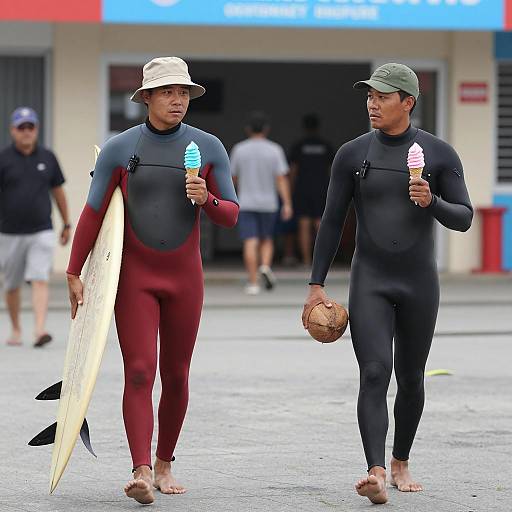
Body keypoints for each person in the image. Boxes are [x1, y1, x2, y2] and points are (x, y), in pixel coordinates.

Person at [66, 57, 239, 504]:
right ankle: (141, 468)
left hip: (185, 278)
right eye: (166, 92)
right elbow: (93, 212)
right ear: (146, 98)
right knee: (140, 372)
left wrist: (208, 198)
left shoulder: (208, 147)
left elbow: (232, 216)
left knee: (176, 375)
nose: (177, 99)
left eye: (182, 92)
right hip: (135, 278)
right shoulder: (120, 149)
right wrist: (73, 270)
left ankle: (165, 463)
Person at [302, 63, 473, 505]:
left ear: (408, 102)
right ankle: (375, 471)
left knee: (412, 377)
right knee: (374, 372)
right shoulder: (352, 154)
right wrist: (316, 284)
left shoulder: (439, 155)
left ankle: (400, 460)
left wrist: (431, 201)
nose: (372, 104)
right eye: (369, 96)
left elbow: (465, 217)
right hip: (370, 279)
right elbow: (332, 221)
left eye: (382, 96)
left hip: (418, 281)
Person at [0, 107, 70, 348]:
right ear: (13, 131)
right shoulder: (3, 159)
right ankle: (16, 329)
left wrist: (66, 223)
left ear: (37, 129)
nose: (26, 132)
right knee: (11, 284)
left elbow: (58, 192)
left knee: (40, 278)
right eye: (21, 128)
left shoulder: (48, 158)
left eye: (31, 127)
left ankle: (40, 330)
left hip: (42, 229)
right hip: (9, 233)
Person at [230, 111, 293, 295]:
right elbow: (281, 178)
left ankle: (253, 283)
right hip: (269, 203)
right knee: (266, 239)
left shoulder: (239, 149)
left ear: (248, 129)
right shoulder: (275, 150)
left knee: (250, 241)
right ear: (266, 129)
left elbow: (232, 178)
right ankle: (265, 266)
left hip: (246, 202)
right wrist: (287, 203)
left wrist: (227, 198)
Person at [289, 113, 334, 266]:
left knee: (304, 224)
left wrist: (291, 190)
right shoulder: (326, 146)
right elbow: (331, 170)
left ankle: (307, 260)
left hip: (303, 188)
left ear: (304, 127)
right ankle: (322, 261)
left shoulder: (299, 146)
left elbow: (293, 171)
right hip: (322, 188)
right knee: (320, 223)